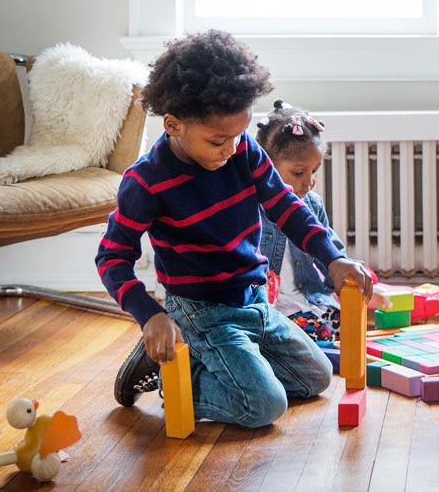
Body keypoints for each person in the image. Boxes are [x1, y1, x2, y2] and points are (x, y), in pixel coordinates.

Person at [96, 30, 372, 429]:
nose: (229, 150)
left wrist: (333, 257)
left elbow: (288, 209)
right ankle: (173, 373)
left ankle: (212, 363)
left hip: (255, 300)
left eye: (237, 135)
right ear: (173, 124)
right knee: (265, 407)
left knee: (316, 377)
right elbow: (112, 257)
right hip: (202, 311)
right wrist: (149, 315)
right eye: (216, 140)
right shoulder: (147, 181)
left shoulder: (244, 150)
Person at [254, 100, 347, 343]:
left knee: (342, 326)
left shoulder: (312, 204)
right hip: (268, 309)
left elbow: (331, 252)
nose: (309, 182)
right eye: (298, 173)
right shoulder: (249, 208)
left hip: (307, 302)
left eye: (314, 171)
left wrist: (348, 280)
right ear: (266, 166)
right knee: (307, 336)